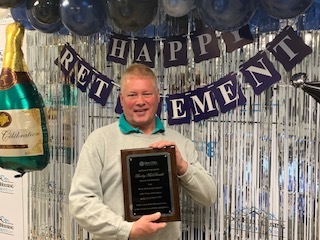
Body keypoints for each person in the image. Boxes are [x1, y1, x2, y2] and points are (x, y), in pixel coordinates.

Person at [69, 63, 217, 240]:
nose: (140, 101)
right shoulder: (99, 141)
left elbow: (209, 196)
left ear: (157, 97)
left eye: (147, 94)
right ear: (121, 99)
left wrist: (183, 167)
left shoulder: (178, 143)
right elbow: (80, 201)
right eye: (132, 95)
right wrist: (126, 230)